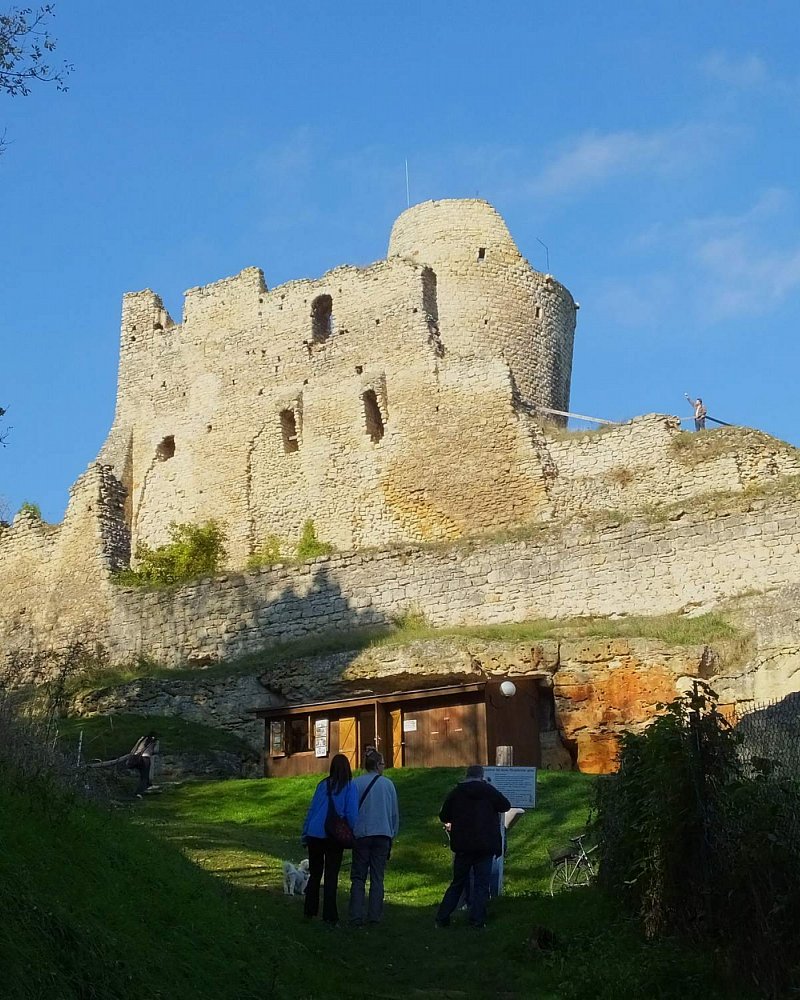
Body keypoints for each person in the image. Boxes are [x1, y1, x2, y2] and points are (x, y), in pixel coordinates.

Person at [435, 764, 511, 930]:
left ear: (466, 775)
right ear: (481, 776)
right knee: (481, 885)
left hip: (463, 846)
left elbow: (443, 815)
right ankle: (477, 920)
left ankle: (442, 917)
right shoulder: (488, 791)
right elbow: (505, 805)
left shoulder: (457, 792)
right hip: (485, 845)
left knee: (458, 883)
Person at [301, 753, 359, 926]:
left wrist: (305, 833)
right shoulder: (349, 787)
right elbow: (351, 814)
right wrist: (354, 833)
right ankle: (330, 916)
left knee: (315, 874)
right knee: (331, 875)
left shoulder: (322, 785)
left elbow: (312, 810)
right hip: (333, 835)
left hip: (315, 833)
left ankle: (310, 910)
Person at [348, 747, 400, 927]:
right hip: (383, 833)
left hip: (362, 834)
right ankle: (374, 916)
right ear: (378, 765)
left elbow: (351, 811)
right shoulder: (388, 785)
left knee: (358, 877)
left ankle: (355, 915)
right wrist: (392, 832)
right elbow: (394, 814)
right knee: (377, 877)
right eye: (383, 763)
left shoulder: (356, 784)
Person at [128, 731, 159, 798]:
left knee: (142, 775)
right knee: (144, 777)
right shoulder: (155, 741)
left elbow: (134, 748)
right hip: (145, 758)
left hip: (136, 757)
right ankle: (138, 792)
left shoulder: (142, 738)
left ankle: (146, 786)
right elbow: (156, 751)